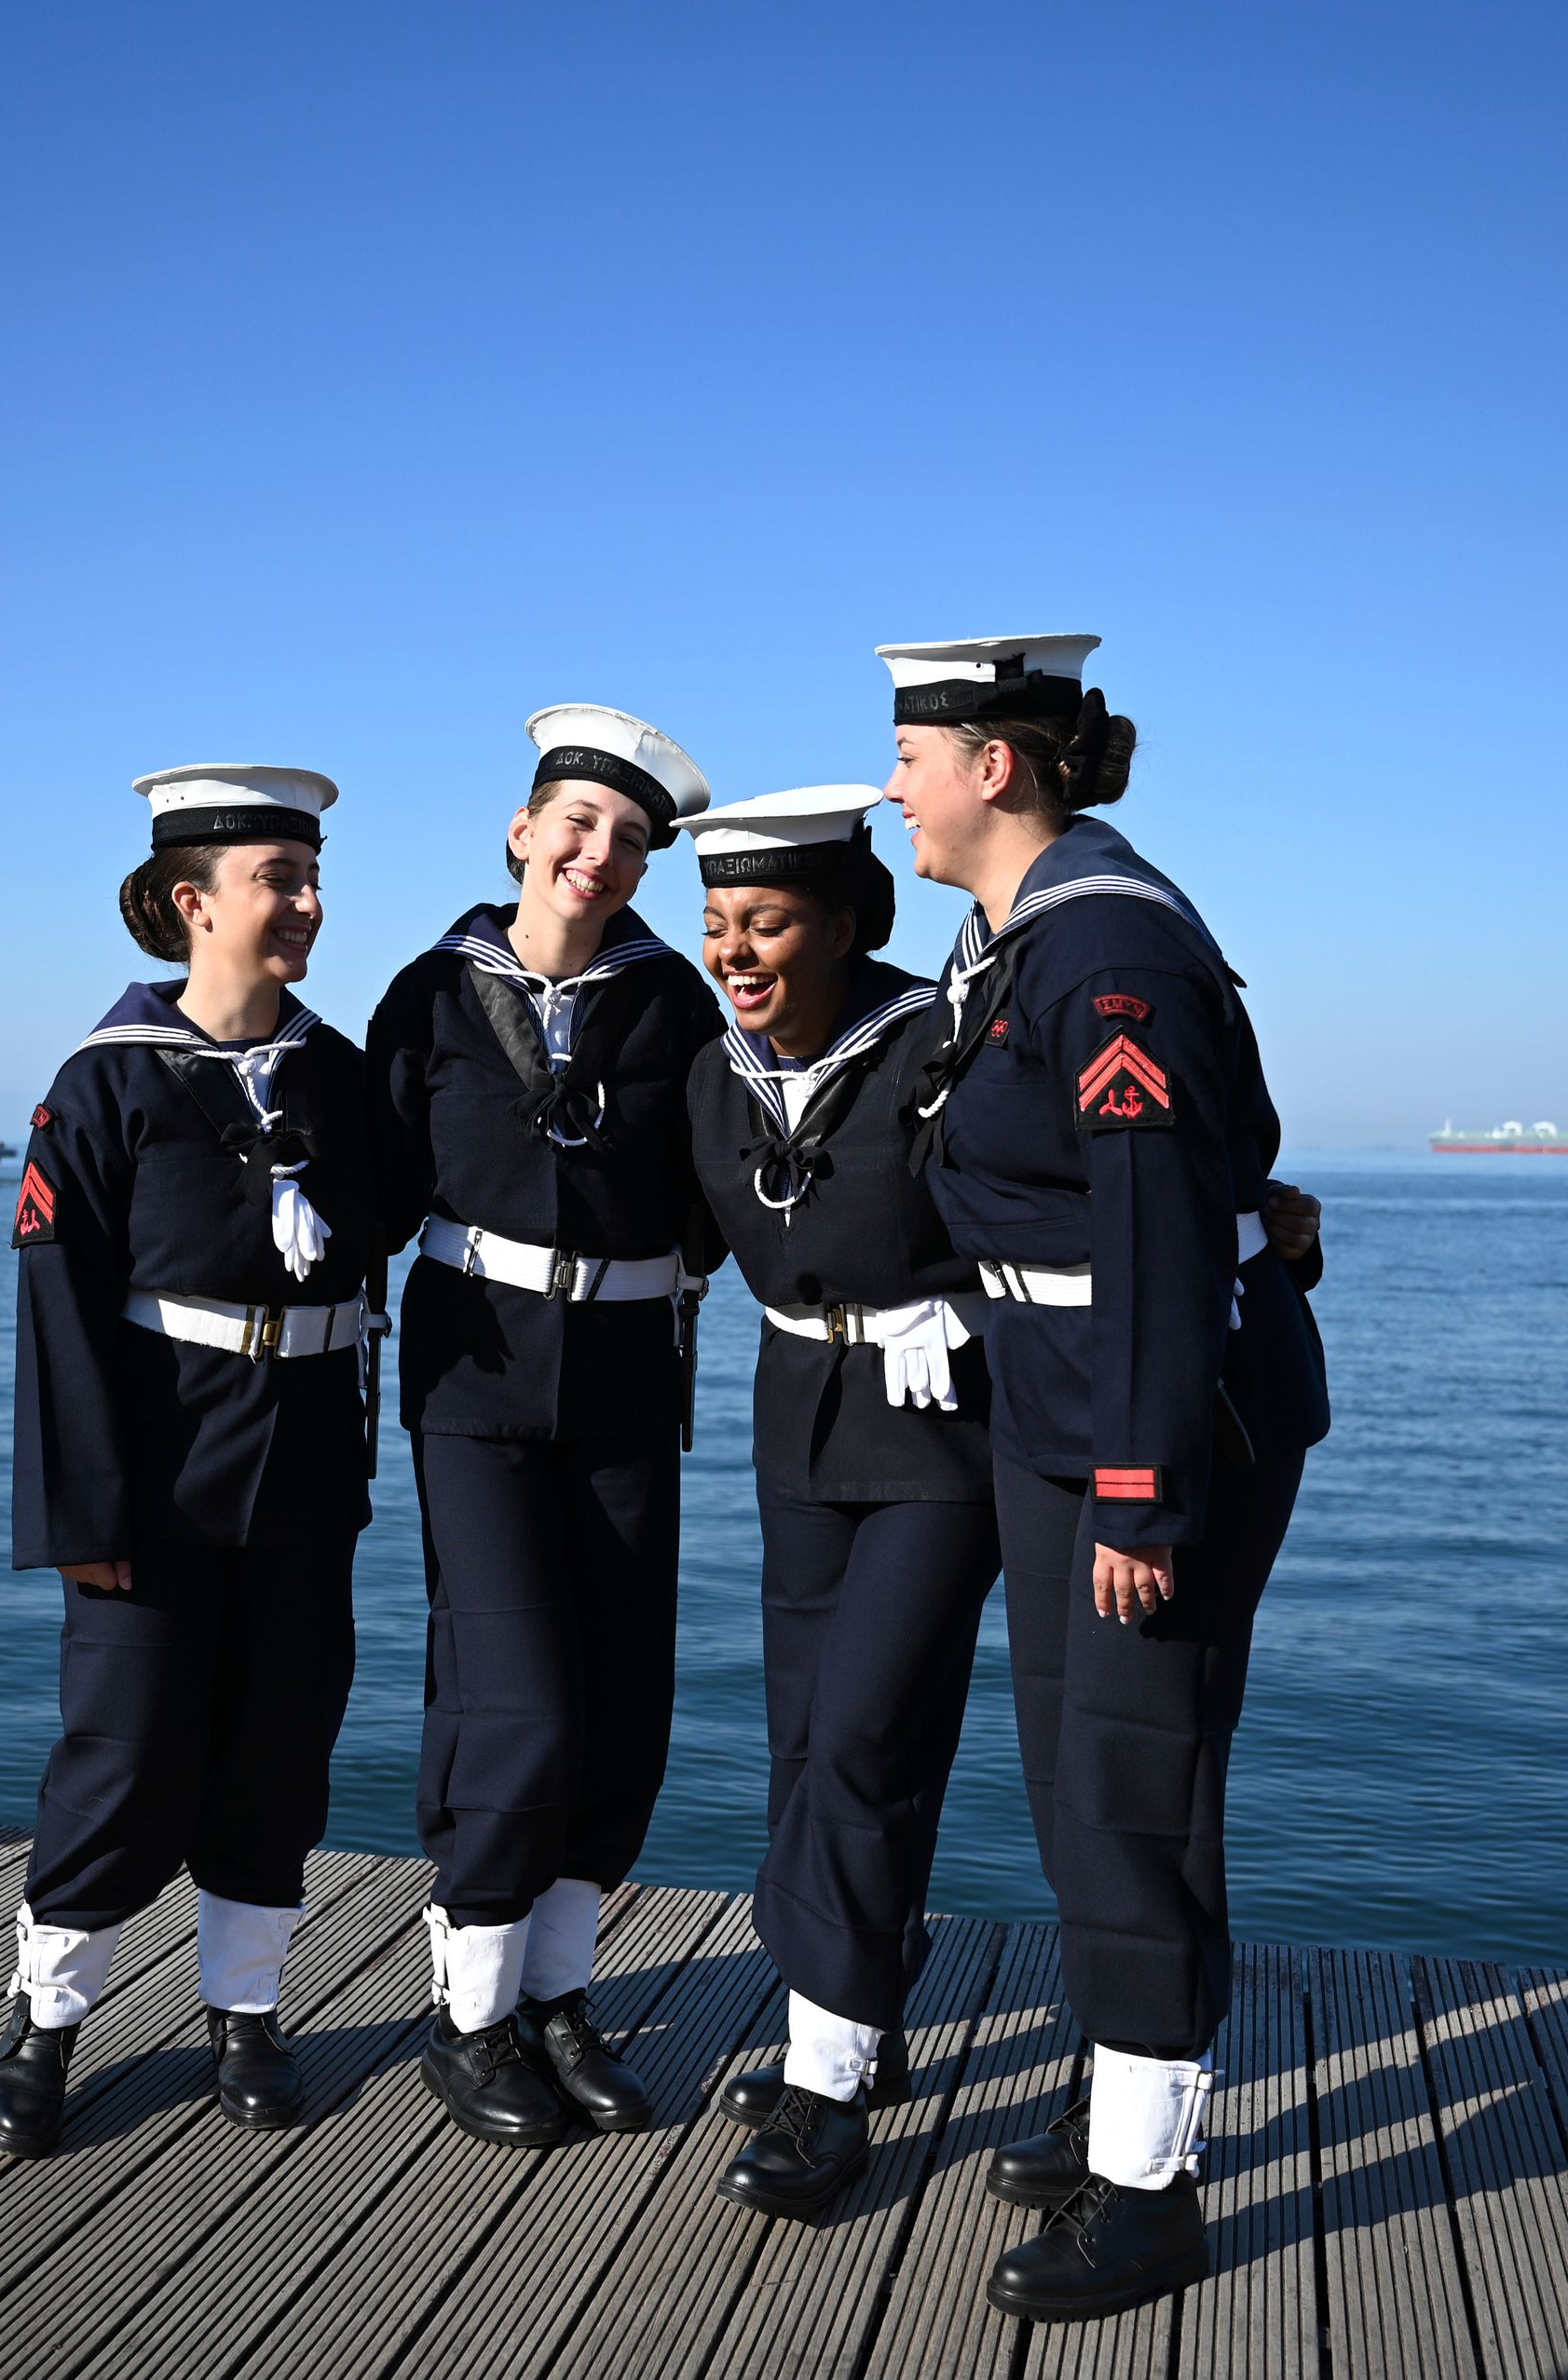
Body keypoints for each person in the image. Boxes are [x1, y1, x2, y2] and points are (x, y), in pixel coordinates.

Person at [880, 634, 1329, 2320]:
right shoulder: (1009, 944)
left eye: (912, 756)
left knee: (1132, 1792)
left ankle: (1149, 2197)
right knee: (1082, 1788)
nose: (895, 788)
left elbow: (1154, 1225)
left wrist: (1143, 1484)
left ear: (996, 765)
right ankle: (1119, 2097)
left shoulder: (1110, 946)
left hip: (1149, 1425)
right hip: (1058, 1413)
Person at [0, 763, 385, 2157]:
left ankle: (246, 2015)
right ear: (190, 902)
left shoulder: (338, 1077)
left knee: (280, 1751)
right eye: (282, 881)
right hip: (154, 1479)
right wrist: (81, 1508)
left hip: (307, 1468)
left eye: (313, 879)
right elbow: (58, 1303)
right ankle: (48, 2018)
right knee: (126, 1754)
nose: (311, 907)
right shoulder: (103, 1084)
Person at [367, 705, 723, 2148]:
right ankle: (473, 2017)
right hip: (479, 1381)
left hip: (633, 1376)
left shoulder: (678, 1005)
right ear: (522, 831)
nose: (601, 853)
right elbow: (357, 1189)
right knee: (513, 1697)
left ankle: (561, 1996)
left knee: (624, 1697)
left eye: (632, 840)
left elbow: (749, 1174)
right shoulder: (431, 999)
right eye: (578, 824)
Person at [674, 784, 1002, 2220]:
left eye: (769, 922)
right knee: (813, 1741)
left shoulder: (947, 1045)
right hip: (799, 1429)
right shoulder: (711, 1074)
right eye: (718, 925)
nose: (736, 952)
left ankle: (824, 2078)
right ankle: (861, 2019)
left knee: (866, 1732)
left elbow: (1078, 1192)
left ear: (850, 922)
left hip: (944, 1430)